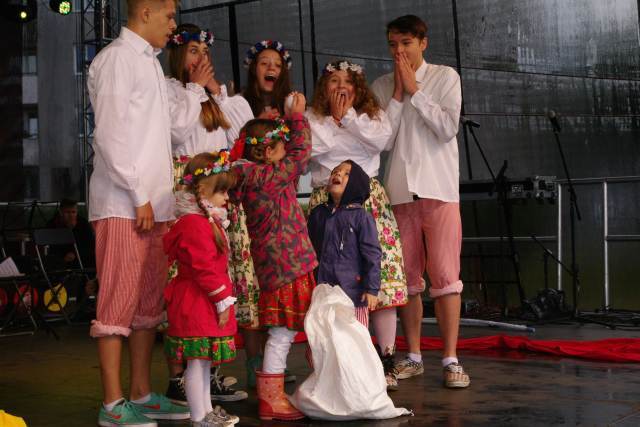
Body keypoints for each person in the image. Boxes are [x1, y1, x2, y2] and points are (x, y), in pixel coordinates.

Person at [87, 0, 191, 425]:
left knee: (148, 303)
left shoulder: (150, 64)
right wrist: (138, 193)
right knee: (117, 301)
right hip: (124, 204)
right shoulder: (117, 58)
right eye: (169, 15)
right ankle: (112, 404)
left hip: (153, 204)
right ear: (145, 11)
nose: (173, 25)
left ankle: (142, 393)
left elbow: (171, 133)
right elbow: (110, 135)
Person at [370, 14, 470, 388]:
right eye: (393, 44)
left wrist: (416, 90)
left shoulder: (445, 77)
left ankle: (451, 359)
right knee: (406, 280)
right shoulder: (382, 85)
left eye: (406, 43)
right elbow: (383, 141)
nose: (399, 51)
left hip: (439, 190)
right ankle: (412, 356)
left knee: (446, 278)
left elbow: (447, 128)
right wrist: (399, 93)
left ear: (422, 43)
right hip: (398, 192)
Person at [306, 60, 408, 390]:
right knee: (331, 280)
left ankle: (386, 358)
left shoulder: (370, 116)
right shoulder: (312, 117)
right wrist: (335, 122)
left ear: (357, 88)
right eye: (333, 80)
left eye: (347, 81)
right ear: (324, 87)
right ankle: (334, 362)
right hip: (326, 202)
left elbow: (379, 141)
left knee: (380, 280)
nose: (340, 87)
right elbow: (312, 149)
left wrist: (348, 119)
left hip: (367, 200)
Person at [164, 23, 252, 405]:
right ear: (177, 54)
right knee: (187, 278)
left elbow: (244, 132)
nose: (201, 58)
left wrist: (215, 91)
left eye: (205, 51)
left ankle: (208, 372)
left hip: (216, 193)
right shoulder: (171, 90)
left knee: (216, 276)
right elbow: (175, 132)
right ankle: (178, 378)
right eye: (193, 51)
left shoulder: (215, 97)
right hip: (187, 188)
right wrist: (196, 90)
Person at [229, 93, 316, 421]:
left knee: (285, 330)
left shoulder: (252, 177)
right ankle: (271, 399)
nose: (285, 149)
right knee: (282, 332)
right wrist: (297, 117)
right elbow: (301, 153)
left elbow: (293, 154)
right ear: (266, 152)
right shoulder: (267, 177)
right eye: (280, 145)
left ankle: (281, 393)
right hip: (287, 267)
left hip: (280, 267)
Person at [163, 151, 240, 427]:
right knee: (197, 361)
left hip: (202, 300)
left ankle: (206, 411)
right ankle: (199, 416)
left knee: (204, 360)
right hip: (197, 301)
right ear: (202, 191)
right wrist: (222, 299)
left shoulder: (205, 220)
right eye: (222, 191)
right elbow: (203, 267)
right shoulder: (194, 224)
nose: (227, 197)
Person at [238, 39, 297, 387]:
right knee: (251, 288)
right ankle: (254, 363)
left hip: (283, 210)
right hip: (252, 209)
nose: (271, 67)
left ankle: (274, 362)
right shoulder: (239, 105)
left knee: (277, 288)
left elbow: (300, 154)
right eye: (264, 62)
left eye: (276, 63)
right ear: (254, 69)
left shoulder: (291, 109)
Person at [307, 160, 381, 324]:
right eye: (335, 171)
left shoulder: (361, 217)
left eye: (346, 173)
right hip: (322, 292)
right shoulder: (318, 214)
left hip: (353, 295)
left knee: (354, 337)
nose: (338, 173)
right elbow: (308, 249)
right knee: (321, 335)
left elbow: (372, 255)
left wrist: (372, 288)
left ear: (356, 185)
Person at [47, 198, 96, 269]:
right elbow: (52, 247)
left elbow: (90, 245)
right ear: (60, 212)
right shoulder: (52, 224)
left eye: (73, 212)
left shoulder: (83, 223)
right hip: (60, 258)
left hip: (81, 257)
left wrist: (75, 253)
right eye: (67, 212)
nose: (71, 215)